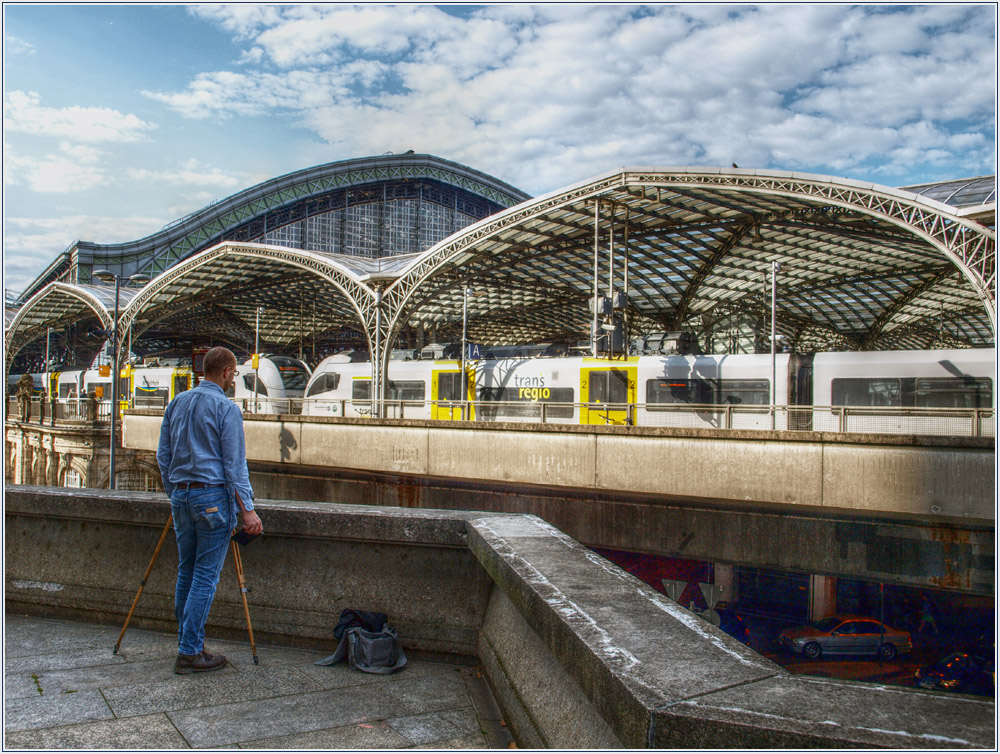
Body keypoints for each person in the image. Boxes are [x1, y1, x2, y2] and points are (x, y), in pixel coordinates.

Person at [156, 346, 263, 674]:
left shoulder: (177, 402)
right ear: (228, 372)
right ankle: (189, 651)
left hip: (182, 498)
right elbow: (234, 465)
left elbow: (163, 455)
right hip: (213, 499)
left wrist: (175, 492)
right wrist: (248, 510)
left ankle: (189, 642)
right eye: (234, 374)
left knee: (186, 571)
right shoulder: (226, 409)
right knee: (205, 575)